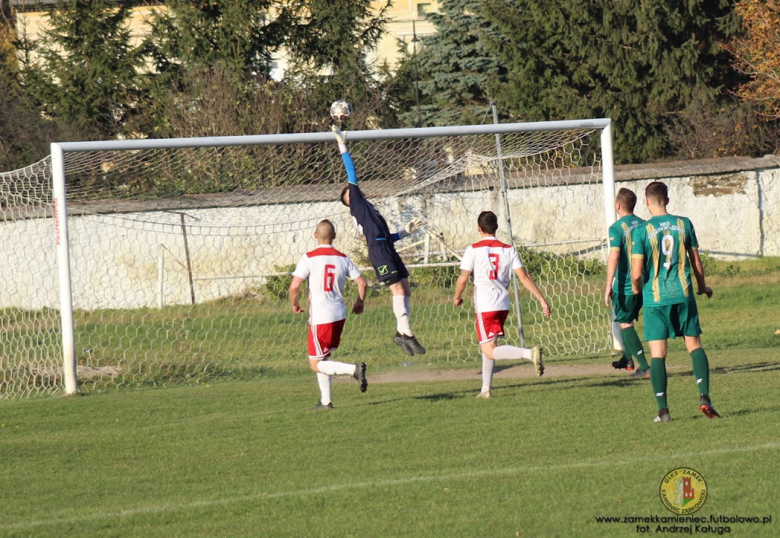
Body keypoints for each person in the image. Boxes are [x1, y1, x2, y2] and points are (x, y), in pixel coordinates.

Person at [332, 125, 426, 357]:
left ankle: (400, 334)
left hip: (387, 247)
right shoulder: (355, 204)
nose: (352, 191)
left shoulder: (369, 208)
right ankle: (408, 334)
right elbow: (351, 173)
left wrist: (404, 232)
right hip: (379, 253)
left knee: (405, 289)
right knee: (397, 290)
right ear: (348, 200)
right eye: (348, 192)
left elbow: (384, 236)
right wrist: (342, 145)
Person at [630, 181, 718, 422]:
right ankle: (704, 397)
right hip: (683, 294)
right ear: (667, 200)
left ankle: (664, 411)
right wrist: (702, 287)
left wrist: (637, 291)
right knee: (695, 345)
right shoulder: (684, 224)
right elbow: (697, 263)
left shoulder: (642, 231)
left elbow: (636, 274)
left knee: (658, 354)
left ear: (647, 203)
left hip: (655, 299)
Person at [453, 211, 552, 398]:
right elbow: (523, 277)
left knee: (489, 351)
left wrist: (457, 297)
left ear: (478, 228)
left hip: (485, 306)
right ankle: (485, 390)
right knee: (490, 346)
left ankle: (529, 354)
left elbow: (463, 277)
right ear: (496, 227)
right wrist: (541, 299)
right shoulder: (508, 249)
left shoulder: (472, 249)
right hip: (502, 305)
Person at [289, 219, 369, 410]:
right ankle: (326, 401)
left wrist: (295, 303)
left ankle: (354, 370)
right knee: (323, 358)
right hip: (338, 315)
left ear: (315, 235)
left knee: (315, 364)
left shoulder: (309, 257)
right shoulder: (343, 258)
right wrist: (359, 302)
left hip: (320, 318)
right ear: (334, 236)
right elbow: (363, 283)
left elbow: (294, 286)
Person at [605, 187, 650, 378]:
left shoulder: (616, 228)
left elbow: (615, 256)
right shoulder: (644, 224)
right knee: (626, 319)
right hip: (644, 282)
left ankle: (645, 368)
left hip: (626, 284)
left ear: (618, 205)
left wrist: (608, 284)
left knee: (624, 322)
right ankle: (627, 359)